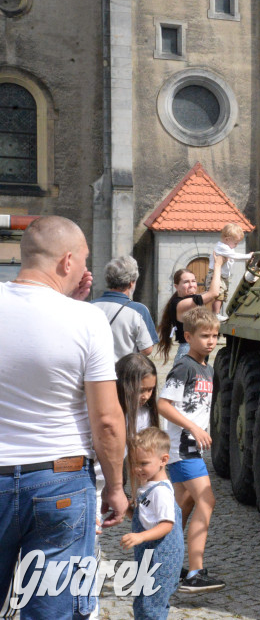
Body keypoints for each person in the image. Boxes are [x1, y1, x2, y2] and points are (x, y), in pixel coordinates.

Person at [0, 215, 128, 619]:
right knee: (53, 610)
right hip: (62, 477)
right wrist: (116, 486)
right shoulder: (87, 320)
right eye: (85, 260)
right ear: (67, 261)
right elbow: (107, 420)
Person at [157, 306, 224, 593]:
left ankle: (162, 566)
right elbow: (163, 404)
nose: (211, 341)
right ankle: (195, 572)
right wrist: (195, 428)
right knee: (207, 501)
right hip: (183, 449)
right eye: (205, 335)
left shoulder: (207, 367)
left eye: (215, 336)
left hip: (189, 449)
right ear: (188, 336)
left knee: (182, 507)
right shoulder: (184, 365)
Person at [120, 427, 183, 620]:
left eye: (143, 463)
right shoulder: (148, 486)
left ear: (163, 460)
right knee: (143, 602)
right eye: (133, 463)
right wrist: (126, 509)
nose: (137, 469)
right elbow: (146, 519)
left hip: (160, 559)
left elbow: (166, 525)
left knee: (151, 607)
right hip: (148, 557)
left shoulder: (161, 492)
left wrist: (140, 537)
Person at [155, 255, 224, 363]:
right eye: (186, 282)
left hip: (196, 353)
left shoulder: (192, 299)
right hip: (188, 352)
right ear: (176, 286)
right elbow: (213, 293)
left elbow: (212, 291)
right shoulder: (180, 303)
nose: (191, 285)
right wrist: (218, 266)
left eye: (193, 281)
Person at [92, 256, 158, 358]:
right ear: (131, 283)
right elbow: (147, 349)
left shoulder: (89, 306)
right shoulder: (139, 310)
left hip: (94, 370)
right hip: (124, 370)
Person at [116, 353, 160, 460]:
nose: (146, 396)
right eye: (140, 390)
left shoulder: (145, 413)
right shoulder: (109, 412)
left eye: (150, 390)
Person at [208, 223, 251, 319]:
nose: (236, 245)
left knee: (222, 295)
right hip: (216, 275)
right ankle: (215, 314)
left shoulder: (227, 248)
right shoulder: (222, 247)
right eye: (235, 243)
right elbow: (234, 256)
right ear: (227, 239)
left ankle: (217, 313)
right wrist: (248, 256)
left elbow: (232, 258)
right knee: (218, 294)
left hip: (223, 276)